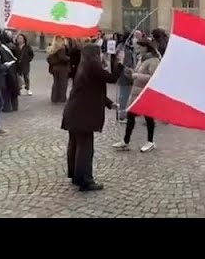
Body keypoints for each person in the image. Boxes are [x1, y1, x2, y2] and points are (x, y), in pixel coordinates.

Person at [61, 43, 123, 191]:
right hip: (83, 114)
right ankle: (85, 180)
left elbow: (92, 90)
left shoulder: (84, 67)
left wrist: (109, 103)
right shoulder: (93, 67)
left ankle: (75, 176)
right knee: (85, 148)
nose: (101, 55)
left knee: (75, 144)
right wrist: (119, 62)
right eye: (99, 53)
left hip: (74, 112)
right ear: (94, 54)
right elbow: (112, 78)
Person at [113, 38, 161, 152]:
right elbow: (136, 72)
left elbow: (153, 77)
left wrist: (136, 76)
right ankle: (126, 141)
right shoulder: (141, 59)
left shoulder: (154, 60)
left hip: (145, 93)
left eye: (140, 47)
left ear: (146, 47)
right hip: (136, 92)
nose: (138, 49)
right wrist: (127, 71)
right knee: (130, 116)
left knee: (148, 117)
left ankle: (150, 141)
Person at [0, 32, 21, 112]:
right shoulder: (14, 47)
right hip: (14, 70)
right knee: (14, 89)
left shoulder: (2, 49)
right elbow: (18, 60)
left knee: (6, 91)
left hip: (7, 70)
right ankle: (15, 106)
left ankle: (7, 107)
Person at [47, 36, 70, 104]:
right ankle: (62, 98)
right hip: (62, 68)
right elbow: (62, 57)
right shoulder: (61, 48)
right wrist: (69, 58)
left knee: (56, 82)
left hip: (55, 68)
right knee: (63, 83)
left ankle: (54, 98)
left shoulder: (53, 48)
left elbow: (48, 58)